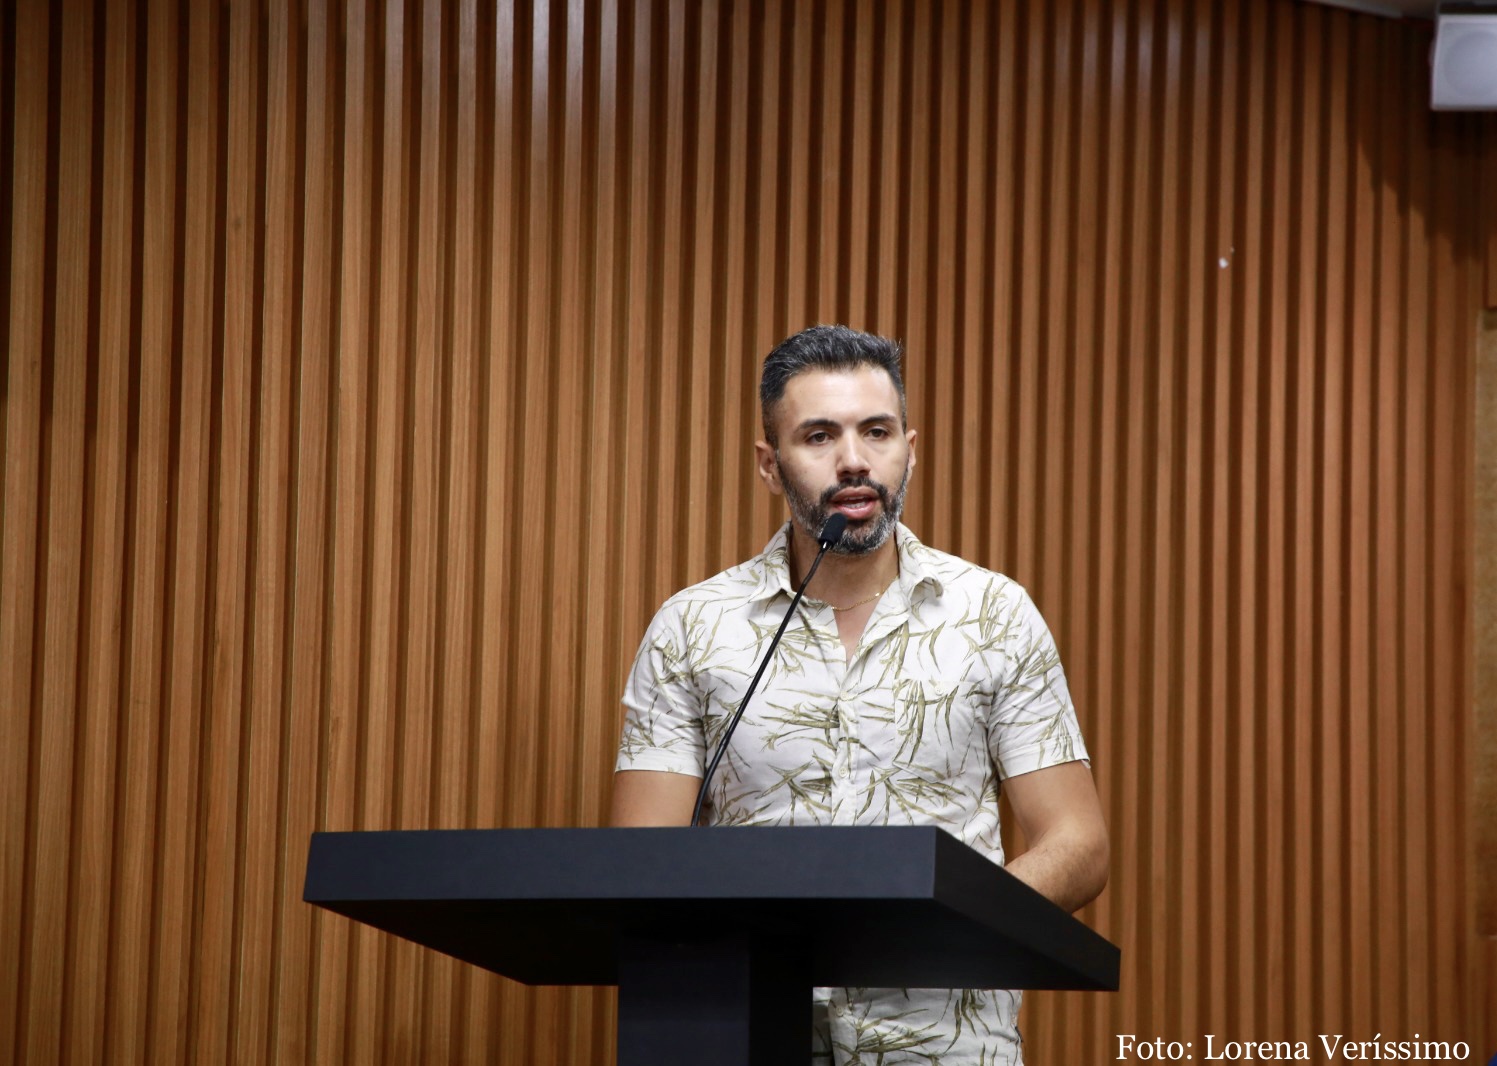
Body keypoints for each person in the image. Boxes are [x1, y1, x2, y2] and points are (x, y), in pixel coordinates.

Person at [611, 324, 1109, 1065]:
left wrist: (947, 925)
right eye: (818, 436)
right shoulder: (693, 627)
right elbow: (639, 863)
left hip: (943, 1045)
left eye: (876, 432)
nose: (853, 459)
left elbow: (1078, 843)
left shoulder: (993, 615)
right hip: (746, 1037)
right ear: (769, 465)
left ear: (910, 448)